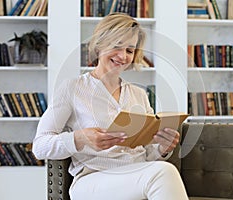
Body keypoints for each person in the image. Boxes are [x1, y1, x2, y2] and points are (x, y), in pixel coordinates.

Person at [32, 12, 189, 200]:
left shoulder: (139, 94)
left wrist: (163, 148)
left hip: (136, 175)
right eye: (117, 46)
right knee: (163, 172)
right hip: (92, 179)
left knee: (162, 171)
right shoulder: (72, 88)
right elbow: (40, 147)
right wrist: (80, 138)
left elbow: (148, 155)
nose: (123, 56)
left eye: (130, 50)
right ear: (99, 45)